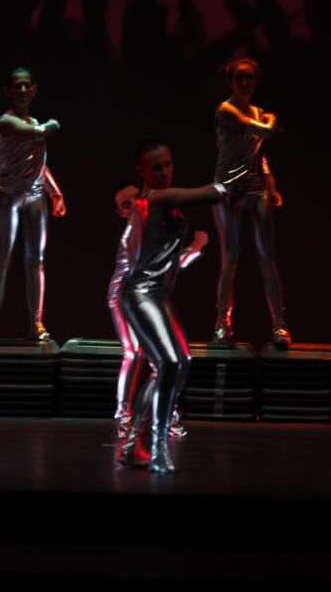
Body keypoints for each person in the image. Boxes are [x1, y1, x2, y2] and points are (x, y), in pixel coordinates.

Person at [118, 141, 228, 474]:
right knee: (168, 363)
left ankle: (132, 443)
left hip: (158, 295)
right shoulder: (155, 198)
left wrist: (194, 248)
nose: (164, 172)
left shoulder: (164, 206)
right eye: (156, 168)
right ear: (142, 173)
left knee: (178, 364)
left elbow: (169, 259)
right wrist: (238, 179)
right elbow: (210, 193)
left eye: (168, 164)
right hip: (140, 293)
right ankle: (157, 446)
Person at [108, 183, 207, 440]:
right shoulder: (134, 233)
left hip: (150, 298)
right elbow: (161, 267)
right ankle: (124, 418)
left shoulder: (154, 226)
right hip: (125, 296)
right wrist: (195, 247)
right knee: (135, 352)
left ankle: (164, 416)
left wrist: (192, 248)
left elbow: (168, 265)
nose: (135, 205)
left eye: (136, 199)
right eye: (126, 204)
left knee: (167, 360)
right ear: (121, 212)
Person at [0, 67, 65, 341]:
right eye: (17, 86)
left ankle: (36, 324)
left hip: (34, 196)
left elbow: (39, 163)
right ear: (8, 91)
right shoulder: (6, 121)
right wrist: (53, 124)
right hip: (6, 196)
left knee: (35, 261)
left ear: (34, 89)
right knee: (1, 260)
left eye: (27, 86)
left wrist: (55, 193)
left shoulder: (34, 121)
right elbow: (41, 133)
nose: (23, 91)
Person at [212, 57, 290, 347]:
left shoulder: (257, 112)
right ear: (230, 81)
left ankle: (279, 326)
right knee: (229, 259)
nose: (244, 83)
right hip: (228, 190)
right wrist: (271, 120)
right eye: (239, 78)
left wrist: (271, 185)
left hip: (255, 188)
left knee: (267, 258)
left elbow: (258, 154)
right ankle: (222, 323)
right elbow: (262, 130)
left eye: (249, 78)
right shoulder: (225, 110)